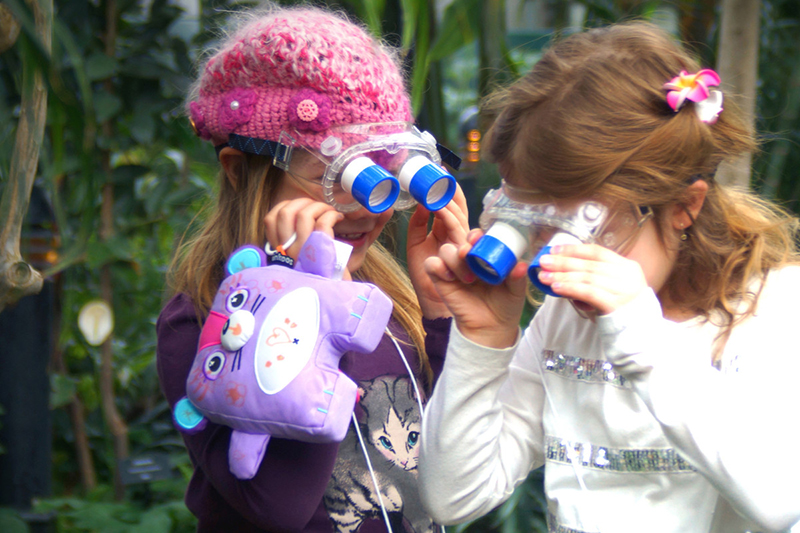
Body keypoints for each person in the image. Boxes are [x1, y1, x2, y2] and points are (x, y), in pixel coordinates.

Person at [418, 21, 800, 533]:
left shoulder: (772, 307)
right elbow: (453, 497)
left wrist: (642, 341)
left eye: (585, 229)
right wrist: (483, 341)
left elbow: (781, 499)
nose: (554, 258)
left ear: (685, 207)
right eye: (533, 227)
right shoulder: (564, 319)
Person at [156, 4, 468, 532]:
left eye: (384, 174)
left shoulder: (387, 304)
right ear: (239, 170)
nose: (367, 207)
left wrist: (439, 314)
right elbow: (275, 505)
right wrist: (313, 306)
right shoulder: (204, 322)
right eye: (336, 174)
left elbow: (450, 470)